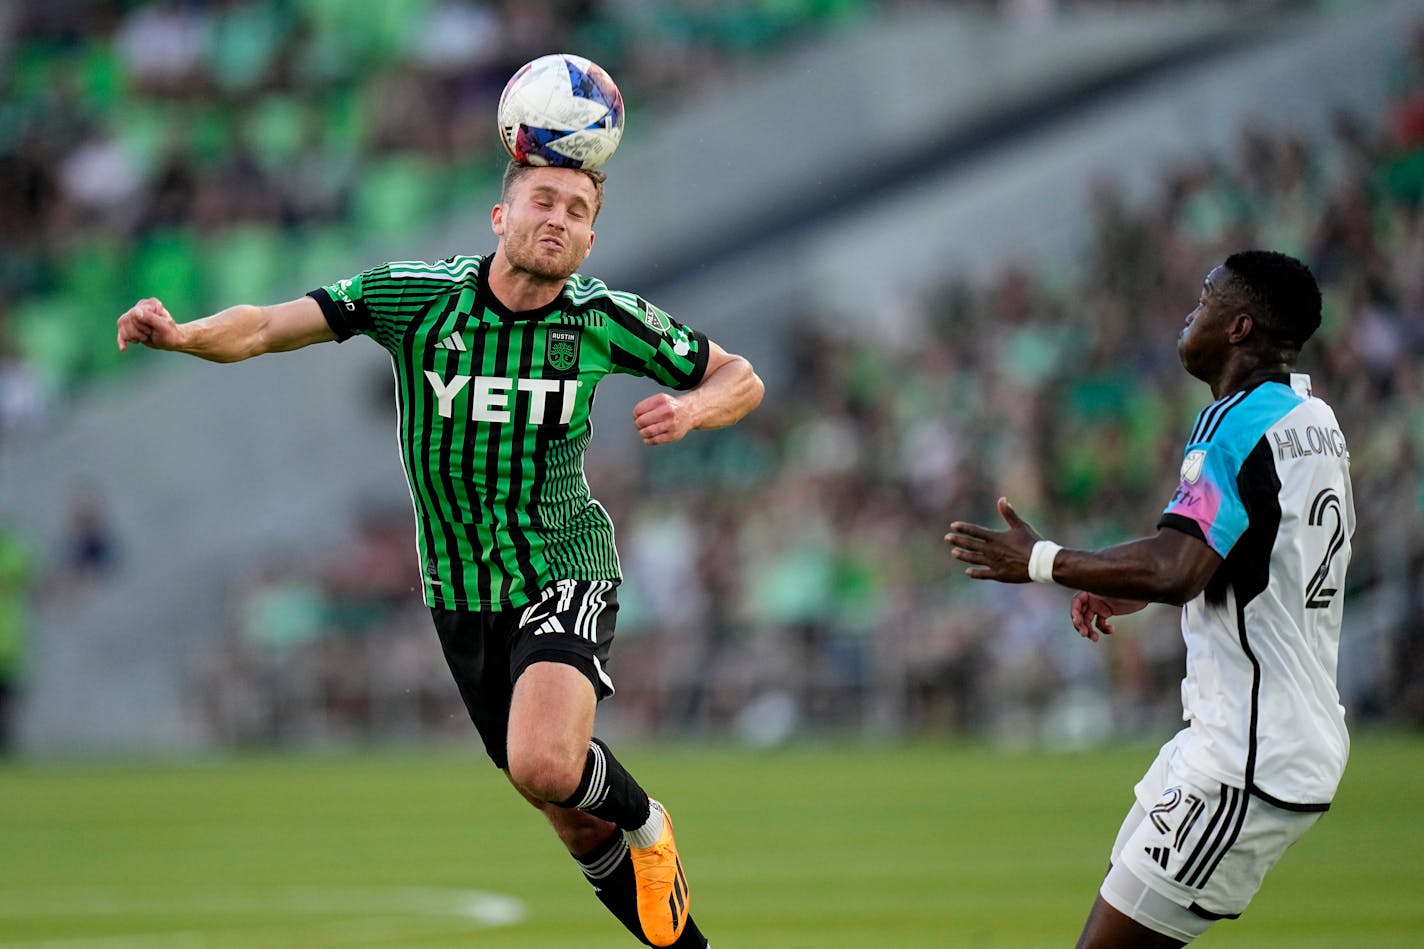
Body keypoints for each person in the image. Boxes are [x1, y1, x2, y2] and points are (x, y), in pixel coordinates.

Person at [115, 160, 764, 948]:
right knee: (567, 818)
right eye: (542, 200)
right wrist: (184, 335)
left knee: (546, 763)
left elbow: (741, 376)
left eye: (578, 210)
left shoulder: (604, 318)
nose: (558, 218)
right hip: (459, 592)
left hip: (564, 565)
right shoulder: (415, 297)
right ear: (501, 216)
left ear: (591, 240)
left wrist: (694, 408)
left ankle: (649, 818)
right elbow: (263, 326)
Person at [945, 251, 1352, 948]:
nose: (1189, 314)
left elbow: (1179, 568)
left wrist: (1044, 561)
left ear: (1239, 326)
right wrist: (1123, 582)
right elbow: (1248, 551)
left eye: (1204, 300)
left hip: (1247, 756)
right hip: (1247, 737)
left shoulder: (1232, 422)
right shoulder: (1311, 416)